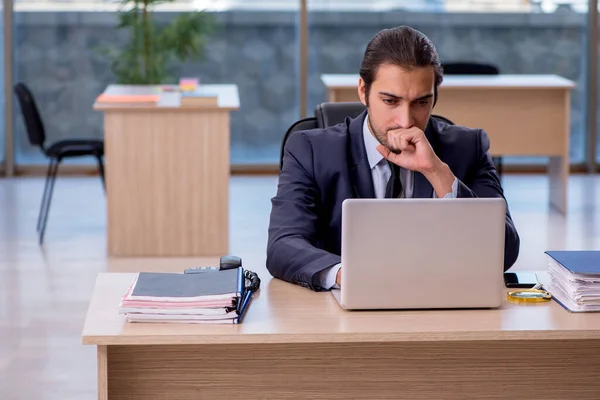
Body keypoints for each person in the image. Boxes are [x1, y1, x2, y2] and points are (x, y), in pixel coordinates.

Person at [266, 25, 520, 291]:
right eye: (390, 101)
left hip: (440, 305)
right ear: (363, 90)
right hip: (344, 309)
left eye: (421, 102)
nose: (406, 121)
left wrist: (437, 173)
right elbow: (283, 245)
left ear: (435, 97)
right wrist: (350, 275)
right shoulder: (310, 150)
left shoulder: (468, 148)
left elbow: (505, 253)